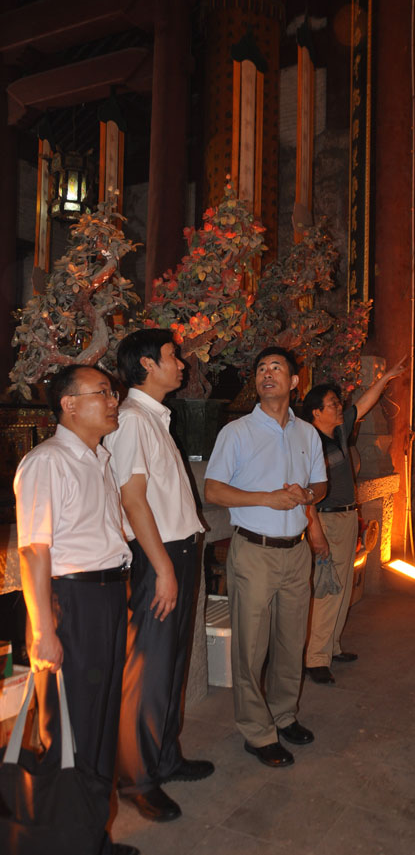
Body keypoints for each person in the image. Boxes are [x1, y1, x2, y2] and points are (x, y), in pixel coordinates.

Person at [14, 364, 138, 855]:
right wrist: (43, 631)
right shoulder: (47, 461)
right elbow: (33, 550)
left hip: (106, 598)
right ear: (68, 404)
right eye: (102, 392)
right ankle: (65, 843)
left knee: (101, 725)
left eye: (112, 392)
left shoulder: (98, 458)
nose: (113, 401)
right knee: (70, 731)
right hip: (72, 603)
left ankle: (92, 837)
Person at [104, 329, 213, 823]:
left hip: (176, 553)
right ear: (147, 364)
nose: (182, 364)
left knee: (171, 663)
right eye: (173, 356)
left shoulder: (154, 419)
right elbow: (132, 500)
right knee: (147, 669)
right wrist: (164, 568)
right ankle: (137, 779)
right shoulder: (131, 419)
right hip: (156, 558)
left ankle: (165, 757)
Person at [204, 347, 327, 768]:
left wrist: (307, 495)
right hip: (254, 552)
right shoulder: (237, 432)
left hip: (296, 552)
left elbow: (320, 485)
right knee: (251, 648)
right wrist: (267, 498)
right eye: (261, 369)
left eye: (277, 368)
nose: (267, 374)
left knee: (292, 642)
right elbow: (213, 490)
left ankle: (283, 715)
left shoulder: (307, 433)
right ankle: (257, 732)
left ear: (294, 382)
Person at [302, 356, 408, 684]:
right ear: (316, 412)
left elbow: (363, 404)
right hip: (326, 521)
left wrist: (387, 378)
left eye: (338, 403)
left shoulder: (339, 432)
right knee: (327, 589)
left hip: (347, 517)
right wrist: (315, 532)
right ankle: (315, 659)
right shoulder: (310, 444)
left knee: (344, 585)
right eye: (333, 404)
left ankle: (331, 647)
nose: (339, 407)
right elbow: (306, 494)